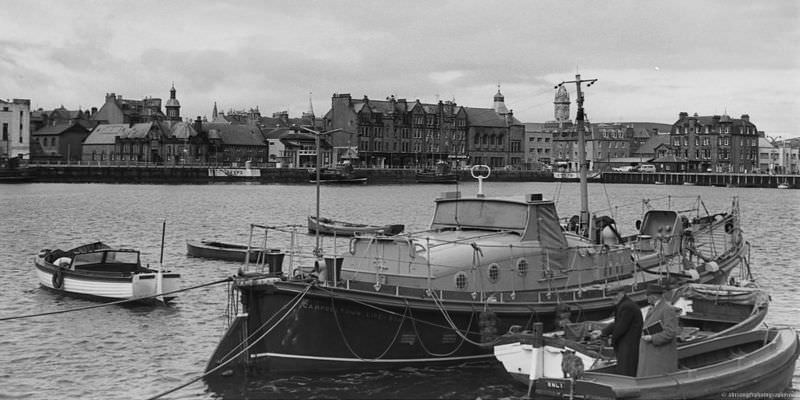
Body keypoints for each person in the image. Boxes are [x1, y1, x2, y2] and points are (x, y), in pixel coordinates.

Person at [591, 289, 643, 376]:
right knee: (626, 368)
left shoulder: (626, 306)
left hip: (628, 345)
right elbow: (618, 323)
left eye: (615, 294)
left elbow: (621, 327)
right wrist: (602, 332)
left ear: (622, 293)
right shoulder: (625, 305)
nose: (613, 297)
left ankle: (627, 386)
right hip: (628, 344)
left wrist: (612, 339)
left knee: (626, 370)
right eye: (611, 295)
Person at [637, 283, 679, 376]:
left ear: (653, 297)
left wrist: (652, 338)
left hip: (659, 358)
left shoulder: (667, 309)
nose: (647, 299)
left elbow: (670, 333)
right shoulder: (654, 308)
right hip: (652, 356)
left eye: (647, 296)